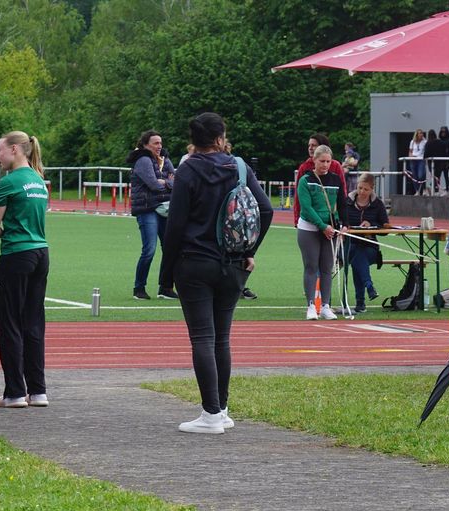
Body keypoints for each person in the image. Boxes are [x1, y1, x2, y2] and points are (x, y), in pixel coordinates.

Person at [161, 112, 273, 434]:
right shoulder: (239, 167)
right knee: (222, 338)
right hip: (233, 264)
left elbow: (175, 225)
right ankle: (221, 410)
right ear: (220, 137)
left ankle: (210, 415)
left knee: (202, 337)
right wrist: (250, 251)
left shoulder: (187, 170)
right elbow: (265, 209)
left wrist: (166, 275)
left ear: (193, 139)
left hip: (195, 263)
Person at [0, 130, 50, 409]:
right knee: (33, 323)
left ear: (14, 149)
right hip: (41, 253)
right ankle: (37, 391)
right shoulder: (39, 180)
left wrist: (11, 233)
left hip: (16, 255)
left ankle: (14, 392)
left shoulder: (9, 182)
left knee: (9, 324)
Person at [296, 144, 343, 320]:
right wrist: (323, 226)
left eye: (328, 161)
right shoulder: (305, 180)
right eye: (322, 161)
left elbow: (342, 203)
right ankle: (310, 306)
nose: (325, 165)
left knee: (327, 268)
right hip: (309, 228)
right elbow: (306, 208)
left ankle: (325, 306)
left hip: (330, 230)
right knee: (311, 266)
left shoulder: (336, 180)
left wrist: (343, 224)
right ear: (314, 160)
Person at [127, 130, 175, 300]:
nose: (159, 146)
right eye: (156, 143)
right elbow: (153, 184)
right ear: (145, 145)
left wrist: (166, 182)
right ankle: (139, 288)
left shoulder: (165, 159)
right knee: (149, 249)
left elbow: (176, 181)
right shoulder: (143, 160)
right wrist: (167, 183)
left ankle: (166, 288)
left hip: (164, 208)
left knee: (170, 248)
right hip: (147, 209)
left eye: (160, 143)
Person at [341, 172, 386, 312]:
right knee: (357, 255)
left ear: (372, 189)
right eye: (360, 188)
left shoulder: (378, 204)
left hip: (370, 247)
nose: (362, 192)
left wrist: (372, 225)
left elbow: (385, 228)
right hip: (349, 245)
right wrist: (345, 227)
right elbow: (339, 221)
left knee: (358, 258)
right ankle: (368, 288)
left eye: (366, 189)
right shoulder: (347, 202)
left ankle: (361, 302)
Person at [430, 127, 449, 195]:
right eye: (442, 132)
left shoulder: (448, 141)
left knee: (446, 176)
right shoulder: (438, 141)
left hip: (446, 161)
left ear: (446, 133)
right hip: (439, 161)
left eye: (444, 132)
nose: (443, 133)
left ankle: (447, 190)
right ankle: (437, 190)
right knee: (438, 176)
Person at [407, 129, 426, 195]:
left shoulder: (424, 142)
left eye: (422, 133)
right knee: (414, 176)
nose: (421, 134)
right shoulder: (412, 142)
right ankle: (417, 190)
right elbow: (410, 151)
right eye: (419, 133)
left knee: (421, 175)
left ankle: (423, 188)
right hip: (413, 160)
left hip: (421, 159)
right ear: (416, 135)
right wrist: (411, 156)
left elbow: (426, 150)